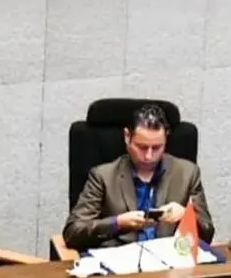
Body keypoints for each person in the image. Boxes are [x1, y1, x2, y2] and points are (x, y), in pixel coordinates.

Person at [62, 104, 215, 250]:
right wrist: (118, 223)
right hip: (121, 263)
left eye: (157, 148)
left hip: (169, 264)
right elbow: (72, 232)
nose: (149, 156)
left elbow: (207, 233)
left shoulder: (188, 173)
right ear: (127, 137)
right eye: (142, 147)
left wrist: (186, 216)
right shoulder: (103, 176)